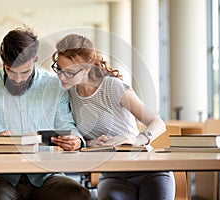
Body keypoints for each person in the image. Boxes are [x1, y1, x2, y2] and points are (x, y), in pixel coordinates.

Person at [0, 28, 91, 200]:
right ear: (3, 62)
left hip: (45, 176)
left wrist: (76, 141)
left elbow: (68, 127)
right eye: (10, 71)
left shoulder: (54, 87)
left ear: (35, 60)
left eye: (24, 72)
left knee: (79, 195)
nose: (18, 79)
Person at [51, 34, 175, 200]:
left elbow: (157, 123)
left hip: (148, 171)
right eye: (59, 69)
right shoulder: (68, 95)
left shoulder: (112, 87)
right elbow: (79, 139)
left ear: (87, 68)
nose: (62, 77)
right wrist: (89, 143)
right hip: (113, 176)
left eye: (69, 72)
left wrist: (139, 139)